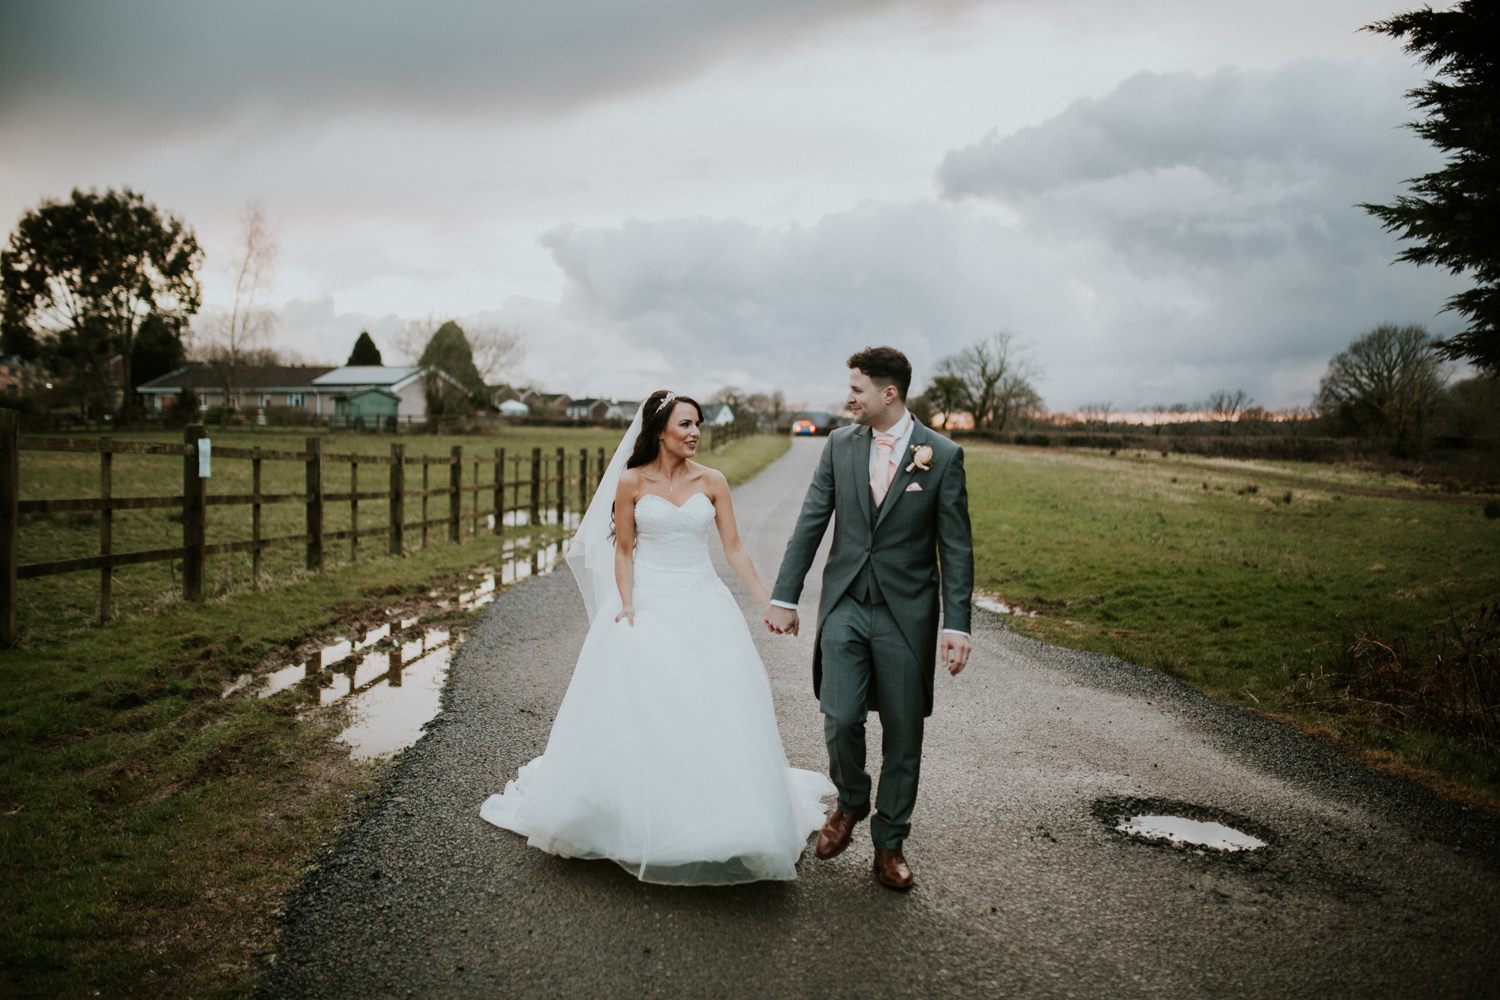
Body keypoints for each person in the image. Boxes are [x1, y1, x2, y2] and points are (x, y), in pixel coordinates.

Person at [480, 390, 834, 884]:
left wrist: (765, 604)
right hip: (646, 599)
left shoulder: (713, 481)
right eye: (685, 424)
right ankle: (630, 813)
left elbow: (734, 550)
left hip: (703, 601)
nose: (694, 433)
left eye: (698, 425)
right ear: (660, 428)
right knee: (642, 705)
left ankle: (721, 815)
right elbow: (623, 551)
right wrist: (626, 601)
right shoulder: (631, 481)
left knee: (711, 706)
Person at [764, 346, 974, 890]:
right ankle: (851, 800)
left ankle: (890, 843)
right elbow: (811, 521)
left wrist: (957, 626)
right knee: (840, 715)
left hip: (907, 614)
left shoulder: (942, 456)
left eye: (856, 389)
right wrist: (785, 597)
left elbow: (956, 548)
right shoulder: (838, 445)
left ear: (889, 393)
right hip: (847, 606)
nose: (848, 398)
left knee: (904, 733)